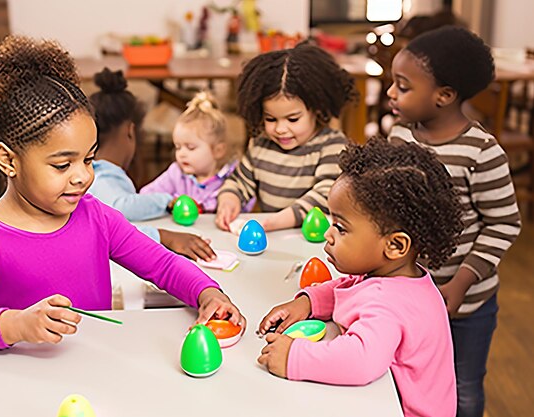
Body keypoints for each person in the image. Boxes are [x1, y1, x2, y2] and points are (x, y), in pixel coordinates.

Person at [0, 36, 245, 352]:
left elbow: (162, 265)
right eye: (63, 164)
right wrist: (16, 324)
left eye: (89, 159)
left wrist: (208, 293)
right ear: (9, 160)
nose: (82, 176)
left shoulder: (95, 216)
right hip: (22, 385)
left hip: (96, 372)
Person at [257, 137, 465, 417]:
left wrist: (294, 357)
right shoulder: (398, 276)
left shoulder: (388, 303)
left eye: (341, 228)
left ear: (394, 245)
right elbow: (354, 289)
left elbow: (360, 360)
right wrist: (309, 302)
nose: (328, 234)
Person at [386, 26, 522, 417]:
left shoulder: (482, 152)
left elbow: (504, 224)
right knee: (406, 382)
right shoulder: (399, 138)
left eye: (403, 86)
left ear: (443, 96)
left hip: (466, 304)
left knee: (463, 390)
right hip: (409, 296)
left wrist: (460, 283)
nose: (392, 94)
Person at [215, 43, 356, 233]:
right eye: (270, 119)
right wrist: (229, 199)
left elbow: (326, 195)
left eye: (293, 119)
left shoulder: (331, 145)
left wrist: (277, 222)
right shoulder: (260, 145)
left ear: (316, 108)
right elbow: (240, 181)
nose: (281, 129)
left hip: (313, 242)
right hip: (270, 238)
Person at [86, 68, 215, 262]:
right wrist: (166, 205)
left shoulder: (92, 172)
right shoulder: (105, 176)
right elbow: (119, 209)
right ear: (130, 131)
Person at [140, 90, 250, 213]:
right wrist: (169, 201)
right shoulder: (176, 174)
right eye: (178, 147)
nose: (181, 154)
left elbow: (247, 202)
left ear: (218, 151)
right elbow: (145, 195)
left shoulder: (231, 176)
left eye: (190, 147)